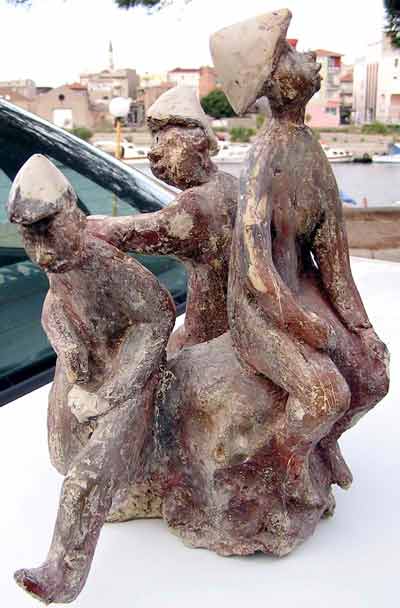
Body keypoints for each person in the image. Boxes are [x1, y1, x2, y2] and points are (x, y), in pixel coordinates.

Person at [211, 9, 389, 504]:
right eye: (289, 52)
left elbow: (335, 263)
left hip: (299, 292)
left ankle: (322, 443)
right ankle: (285, 465)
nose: (306, 55)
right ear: (274, 82)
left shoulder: (310, 151)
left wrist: (363, 329)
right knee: (326, 393)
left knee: (374, 376)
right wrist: (300, 324)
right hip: (260, 309)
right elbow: (256, 268)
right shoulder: (264, 158)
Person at [7, 154, 175, 604]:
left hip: (127, 367)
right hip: (88, 363)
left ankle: (62, 572)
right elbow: (53, 305)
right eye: (29, 235)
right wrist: (67, 345)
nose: (41, 250)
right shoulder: (58, 266)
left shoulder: (101, 260)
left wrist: (115, 391)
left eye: (47, 229)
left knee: (84, 476)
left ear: (72, 215)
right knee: (62, 452)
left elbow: (158, 314)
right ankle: (120, 492)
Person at [88, 86, 238, 354]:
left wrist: (86, 227)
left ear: (199, 143)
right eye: (155, 143)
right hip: (228, 328)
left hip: (210, 338)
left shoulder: (196, 204)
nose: (155, 155)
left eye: (167, 146)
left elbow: (139, 231)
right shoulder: (231, 185)